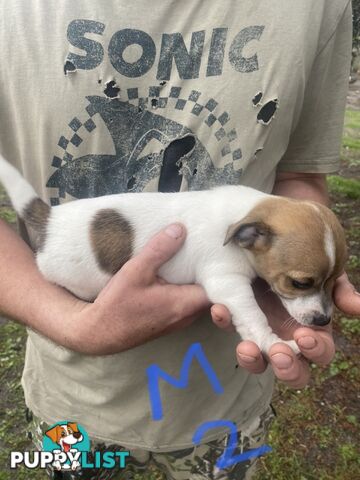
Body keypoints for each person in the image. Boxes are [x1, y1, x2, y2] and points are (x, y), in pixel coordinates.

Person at [0, 1, 359, 479]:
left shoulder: (317, 9)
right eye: (304, 283)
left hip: (223, 407)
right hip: (72, 404)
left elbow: (302, 180)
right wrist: (73, 324)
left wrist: (289, 279)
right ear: (245, 236)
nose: (321, 307)